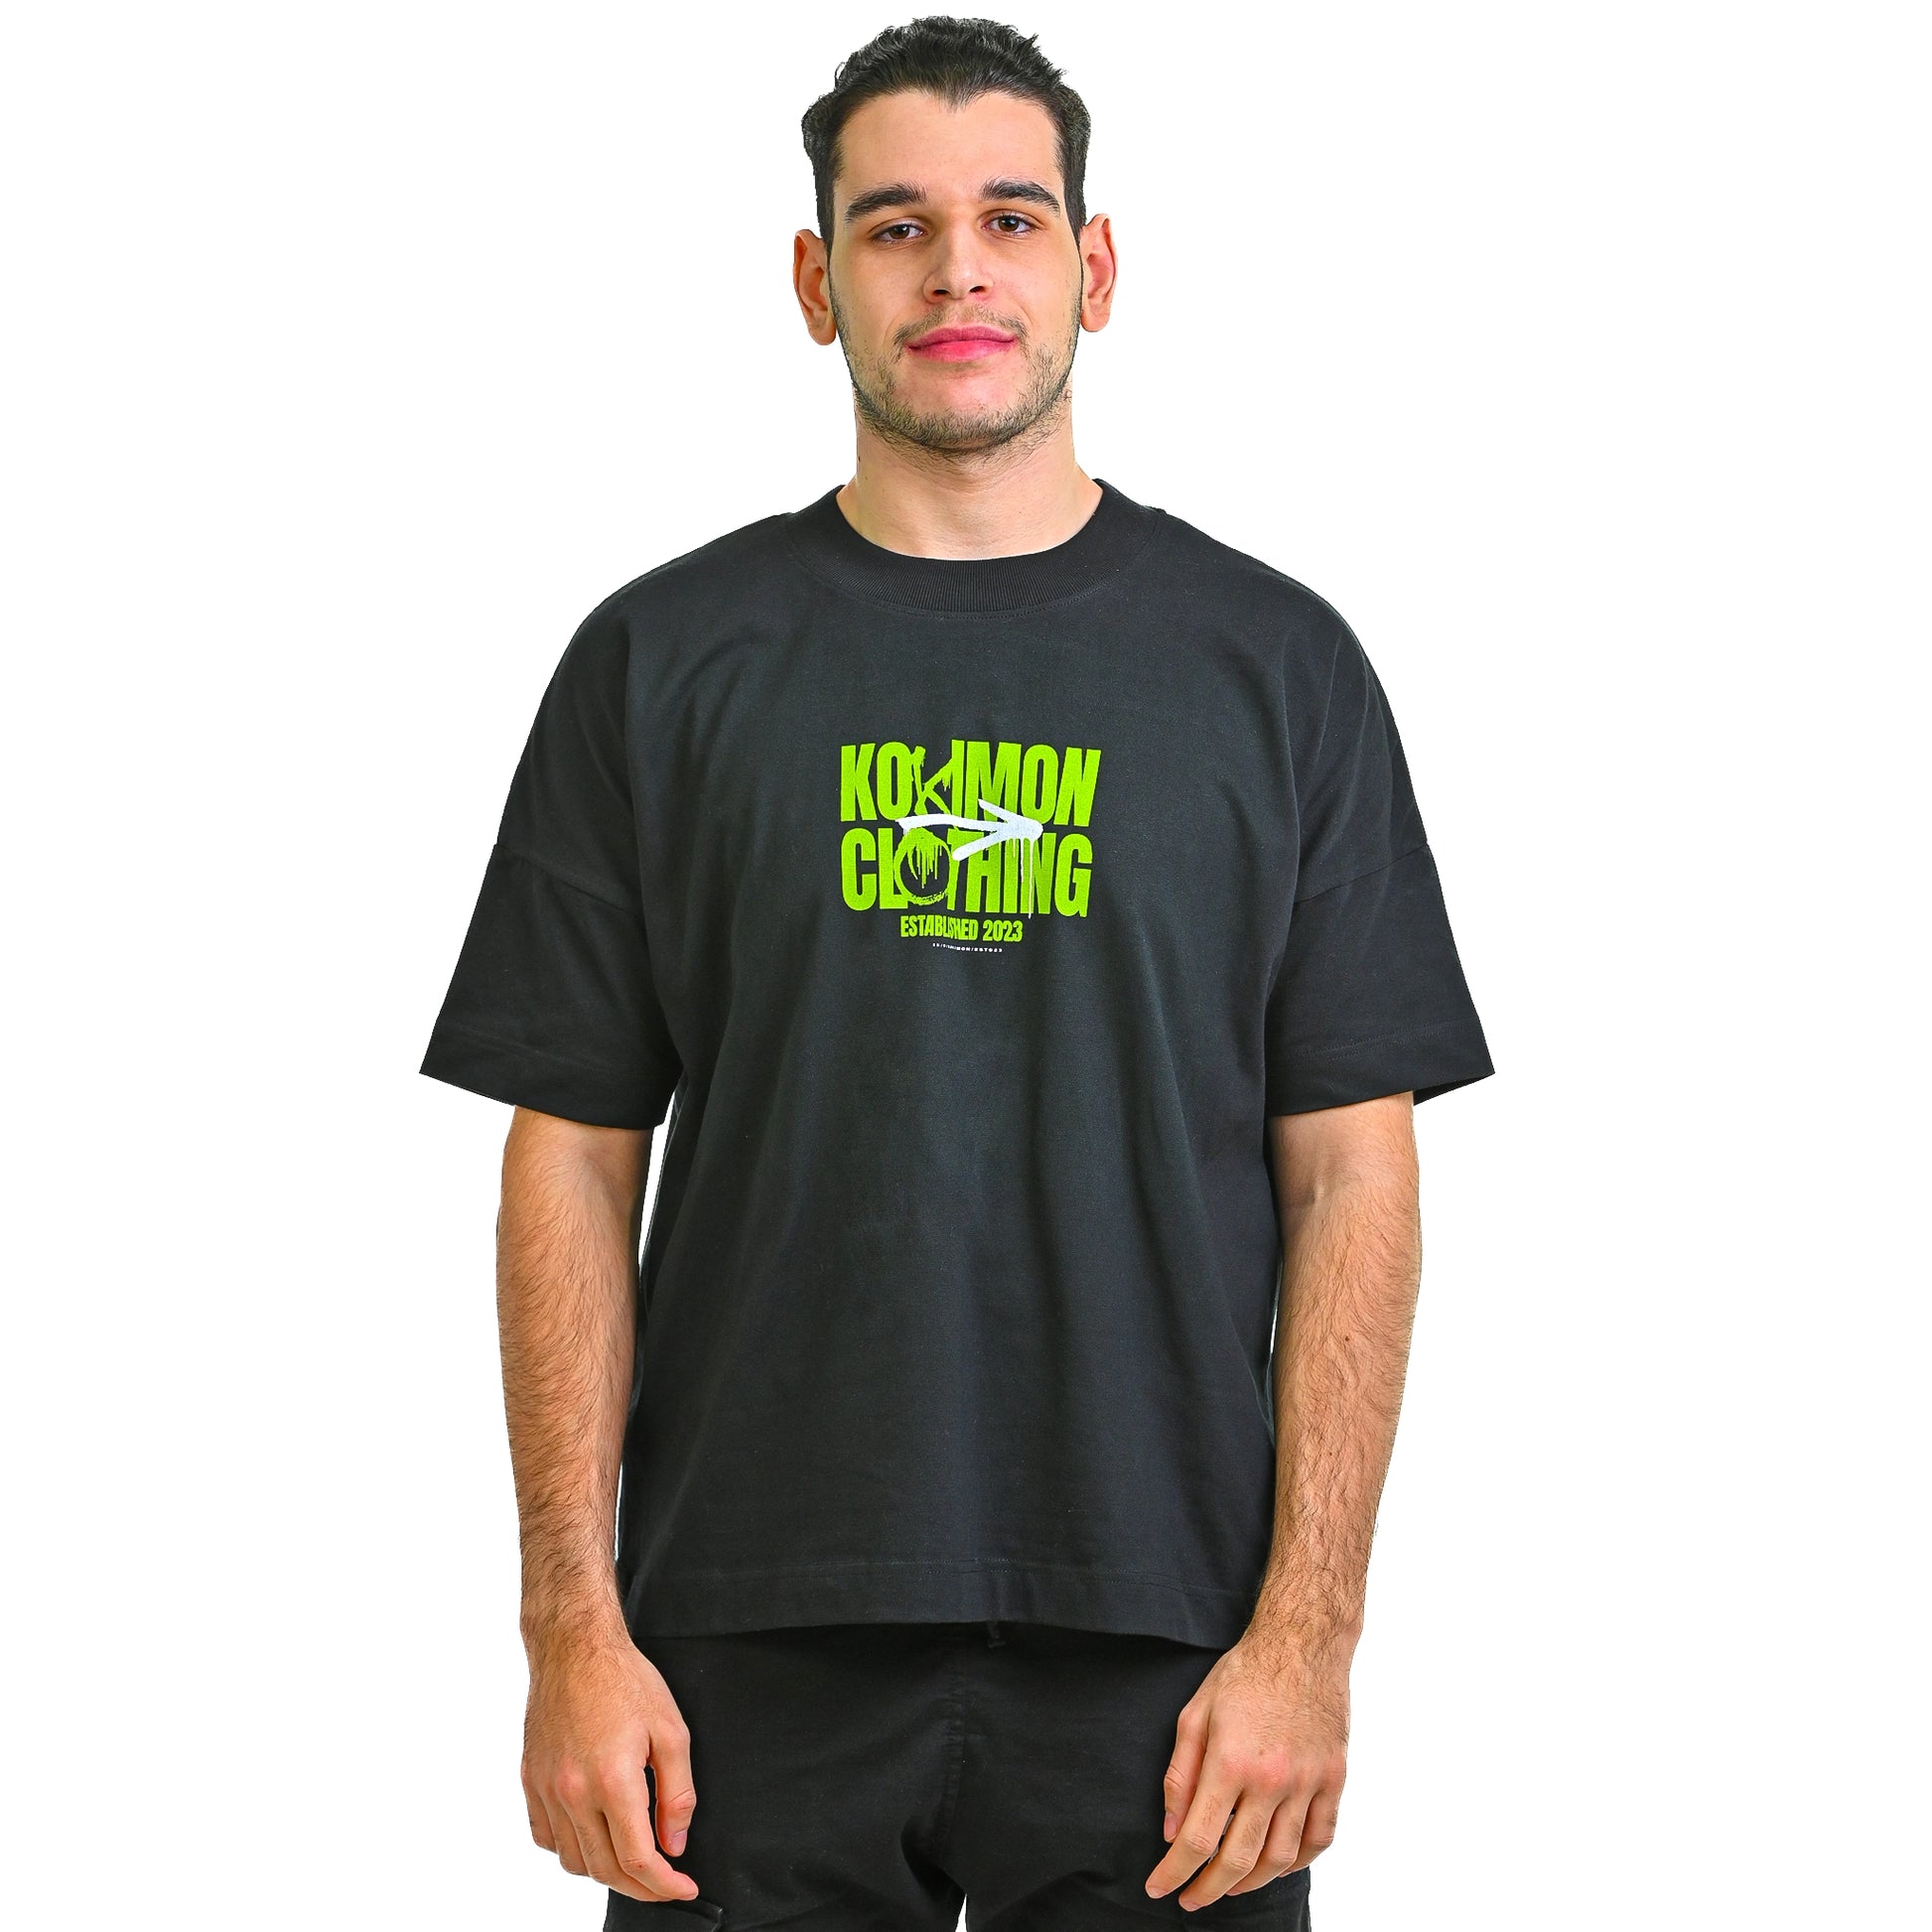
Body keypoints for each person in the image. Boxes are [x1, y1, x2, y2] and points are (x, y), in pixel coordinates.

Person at [421, 16, 1494, 1928]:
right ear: (815, 281)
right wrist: (568, 1628)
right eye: (895, 225)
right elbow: (569, 1152)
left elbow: (1353, 1166)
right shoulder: (658, 662)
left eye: (1010, 217)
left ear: (1095, 266)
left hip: (1174, 1658)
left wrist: (1308, 1637)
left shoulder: (1276, 669)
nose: (957, 271)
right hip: (737, 1647)